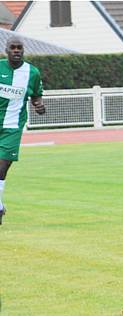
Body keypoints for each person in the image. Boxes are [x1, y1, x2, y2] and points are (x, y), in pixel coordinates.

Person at [0, 37, 45, 225]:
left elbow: (36, 96)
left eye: (19, 48)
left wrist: (39, 105)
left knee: (2, 168)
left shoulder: (32, 72)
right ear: (6, 50)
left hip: (12, 127)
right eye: (13, 48)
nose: (16, 51)